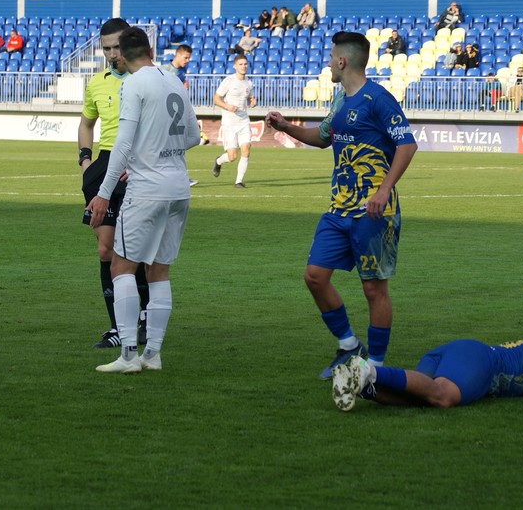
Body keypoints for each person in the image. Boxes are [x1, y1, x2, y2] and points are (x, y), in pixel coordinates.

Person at [265, 31, 417, 379]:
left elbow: (407, 145)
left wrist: (383, 190)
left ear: (343, 61)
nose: (329, 62)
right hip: (338, 210)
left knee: (373, 288)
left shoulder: (379, 99)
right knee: (315, 277)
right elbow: (322, 139)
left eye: (332, 57)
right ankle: (349, 345)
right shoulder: (340, 100)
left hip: (373, 211)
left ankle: (375, 367)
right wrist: (285, 125)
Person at [86, 26, 201, 373]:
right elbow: (194, 136)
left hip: (147, 188)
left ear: (120, 53)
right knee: (159, 271)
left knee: (121, 267)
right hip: (179, 187)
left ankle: (127, 356)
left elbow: (122, 144)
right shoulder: (172, 79)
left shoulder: (132, 84)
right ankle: (152, 355)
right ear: (150, 50)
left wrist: (103, 194)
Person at [78, 18, 151, 349]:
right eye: (105, 48)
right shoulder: (96, 83)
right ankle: (117, 327)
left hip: (137, 168)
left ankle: (145, 314)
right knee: (106, 249)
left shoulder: (148, 80)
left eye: (116, 47)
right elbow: (86, 123)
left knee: (137, 251)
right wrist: (85, 161)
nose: (111, 54)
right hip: (105, 165)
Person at [330, 333, 523, 412]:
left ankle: (362, 386)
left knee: (424, 397)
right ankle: (369, 371)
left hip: (457, 352)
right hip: (480, 360)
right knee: (443, 397)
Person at [212, 54, 257, 188]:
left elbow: (249, 97)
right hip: (229, 122)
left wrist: (252, 101)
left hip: (243, 120)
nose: (244, 66)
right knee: (232, 157)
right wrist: (227, 106)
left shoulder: (249, 82)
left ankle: (239, 181)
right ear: (235, 66)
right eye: (241, 64)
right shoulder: (229, 81)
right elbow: (216, 99)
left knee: (246, 149)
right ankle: (219, 161)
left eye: (245, 64)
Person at [161, 44, 199, 187]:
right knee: (173, 146)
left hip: (177, 113)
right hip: (166, 114)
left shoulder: (182, 70)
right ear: (177, 54)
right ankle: (179, 177)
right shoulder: (165, 70)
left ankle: (178, 176)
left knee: (182, 144)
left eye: (189, 57)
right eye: (186, 57)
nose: (188, 60)